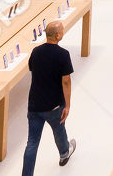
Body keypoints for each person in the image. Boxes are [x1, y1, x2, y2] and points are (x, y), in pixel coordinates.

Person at [22, 20, 76, 174]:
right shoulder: (63, 54)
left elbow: (32, 68)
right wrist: (67, 105)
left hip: (34, 106)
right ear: (58, 36)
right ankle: (64, 153)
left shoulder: (36, 51)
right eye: (62, 30)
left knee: (31, 143)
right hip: (53, 106)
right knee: (59, 130)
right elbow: (66, 81)